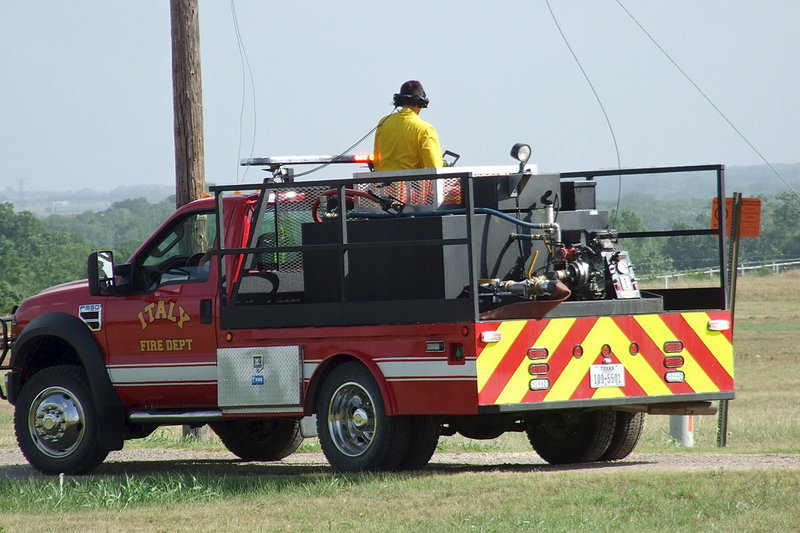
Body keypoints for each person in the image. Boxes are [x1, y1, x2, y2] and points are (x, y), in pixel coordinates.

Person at [372, 80, 444, 172]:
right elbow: (434, 166)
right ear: (421, 103)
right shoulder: (425, 129)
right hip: (411, 185)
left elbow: (377, 161)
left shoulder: (383, 122)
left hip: (383, 184)